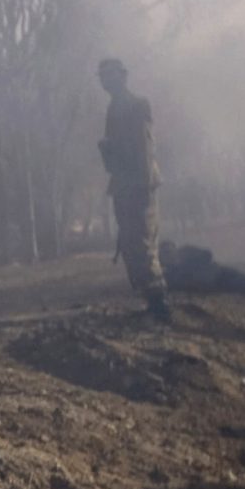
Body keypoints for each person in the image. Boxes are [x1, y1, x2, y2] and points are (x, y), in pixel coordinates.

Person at [98, 58, 172, 322]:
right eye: (102, 76)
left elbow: (144, 147)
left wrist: (140, 184)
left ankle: (159, 304)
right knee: (131, 243)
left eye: (110, 75)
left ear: (123, 76)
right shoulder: (114, 108)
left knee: (142, 242)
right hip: (124, 183)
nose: (105, 81)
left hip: (138, 183)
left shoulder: (136, 105)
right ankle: (150, 299)